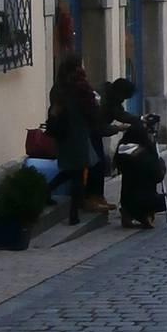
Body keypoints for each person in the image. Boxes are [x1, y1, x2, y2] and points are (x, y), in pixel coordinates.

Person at [48, 54, 111, 225]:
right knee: (77, 172)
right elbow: (90, 110)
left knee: (72, 170)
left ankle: (47, 192)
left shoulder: (57, 88)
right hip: (78, 133)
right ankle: (73, 213)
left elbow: (54, 109)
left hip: (63, 134)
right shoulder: (80, 87)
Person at [101, 78, 162, 229]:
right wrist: (120, 128)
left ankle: (126, 212)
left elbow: (121, 114)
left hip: (128, 164)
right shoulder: (106, 101)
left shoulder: (112, 98)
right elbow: (102, 123)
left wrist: (139, 119)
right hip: (96, 132)